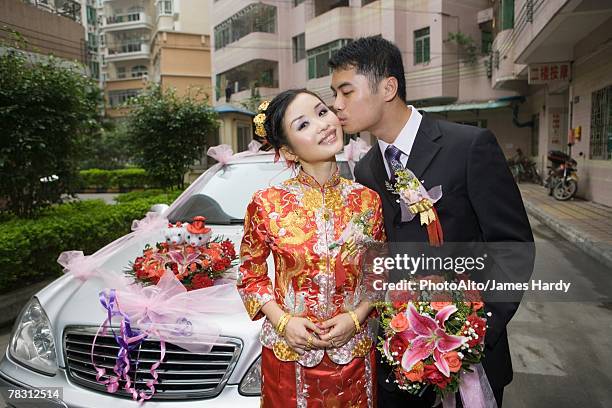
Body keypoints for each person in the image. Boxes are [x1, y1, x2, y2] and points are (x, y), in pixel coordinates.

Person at [329, 36, 534, 408]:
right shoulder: (367, 169)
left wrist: (471, 328)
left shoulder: (468, 147)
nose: (336, 106)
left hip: (466, 355)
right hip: (396, 362)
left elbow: (513, 246)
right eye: (334, 95)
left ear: (388, 87)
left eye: (346, 92)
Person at [237, 89, 386, 407]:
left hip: (354, 354)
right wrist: (282, 321)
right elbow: (250, 275)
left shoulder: (368, 201)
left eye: (322, 112)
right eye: (303, 124)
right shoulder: (266, 203)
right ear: (289, 152)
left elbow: (380, 274)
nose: (323, 124)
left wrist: (356, 318)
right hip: (290, 356)